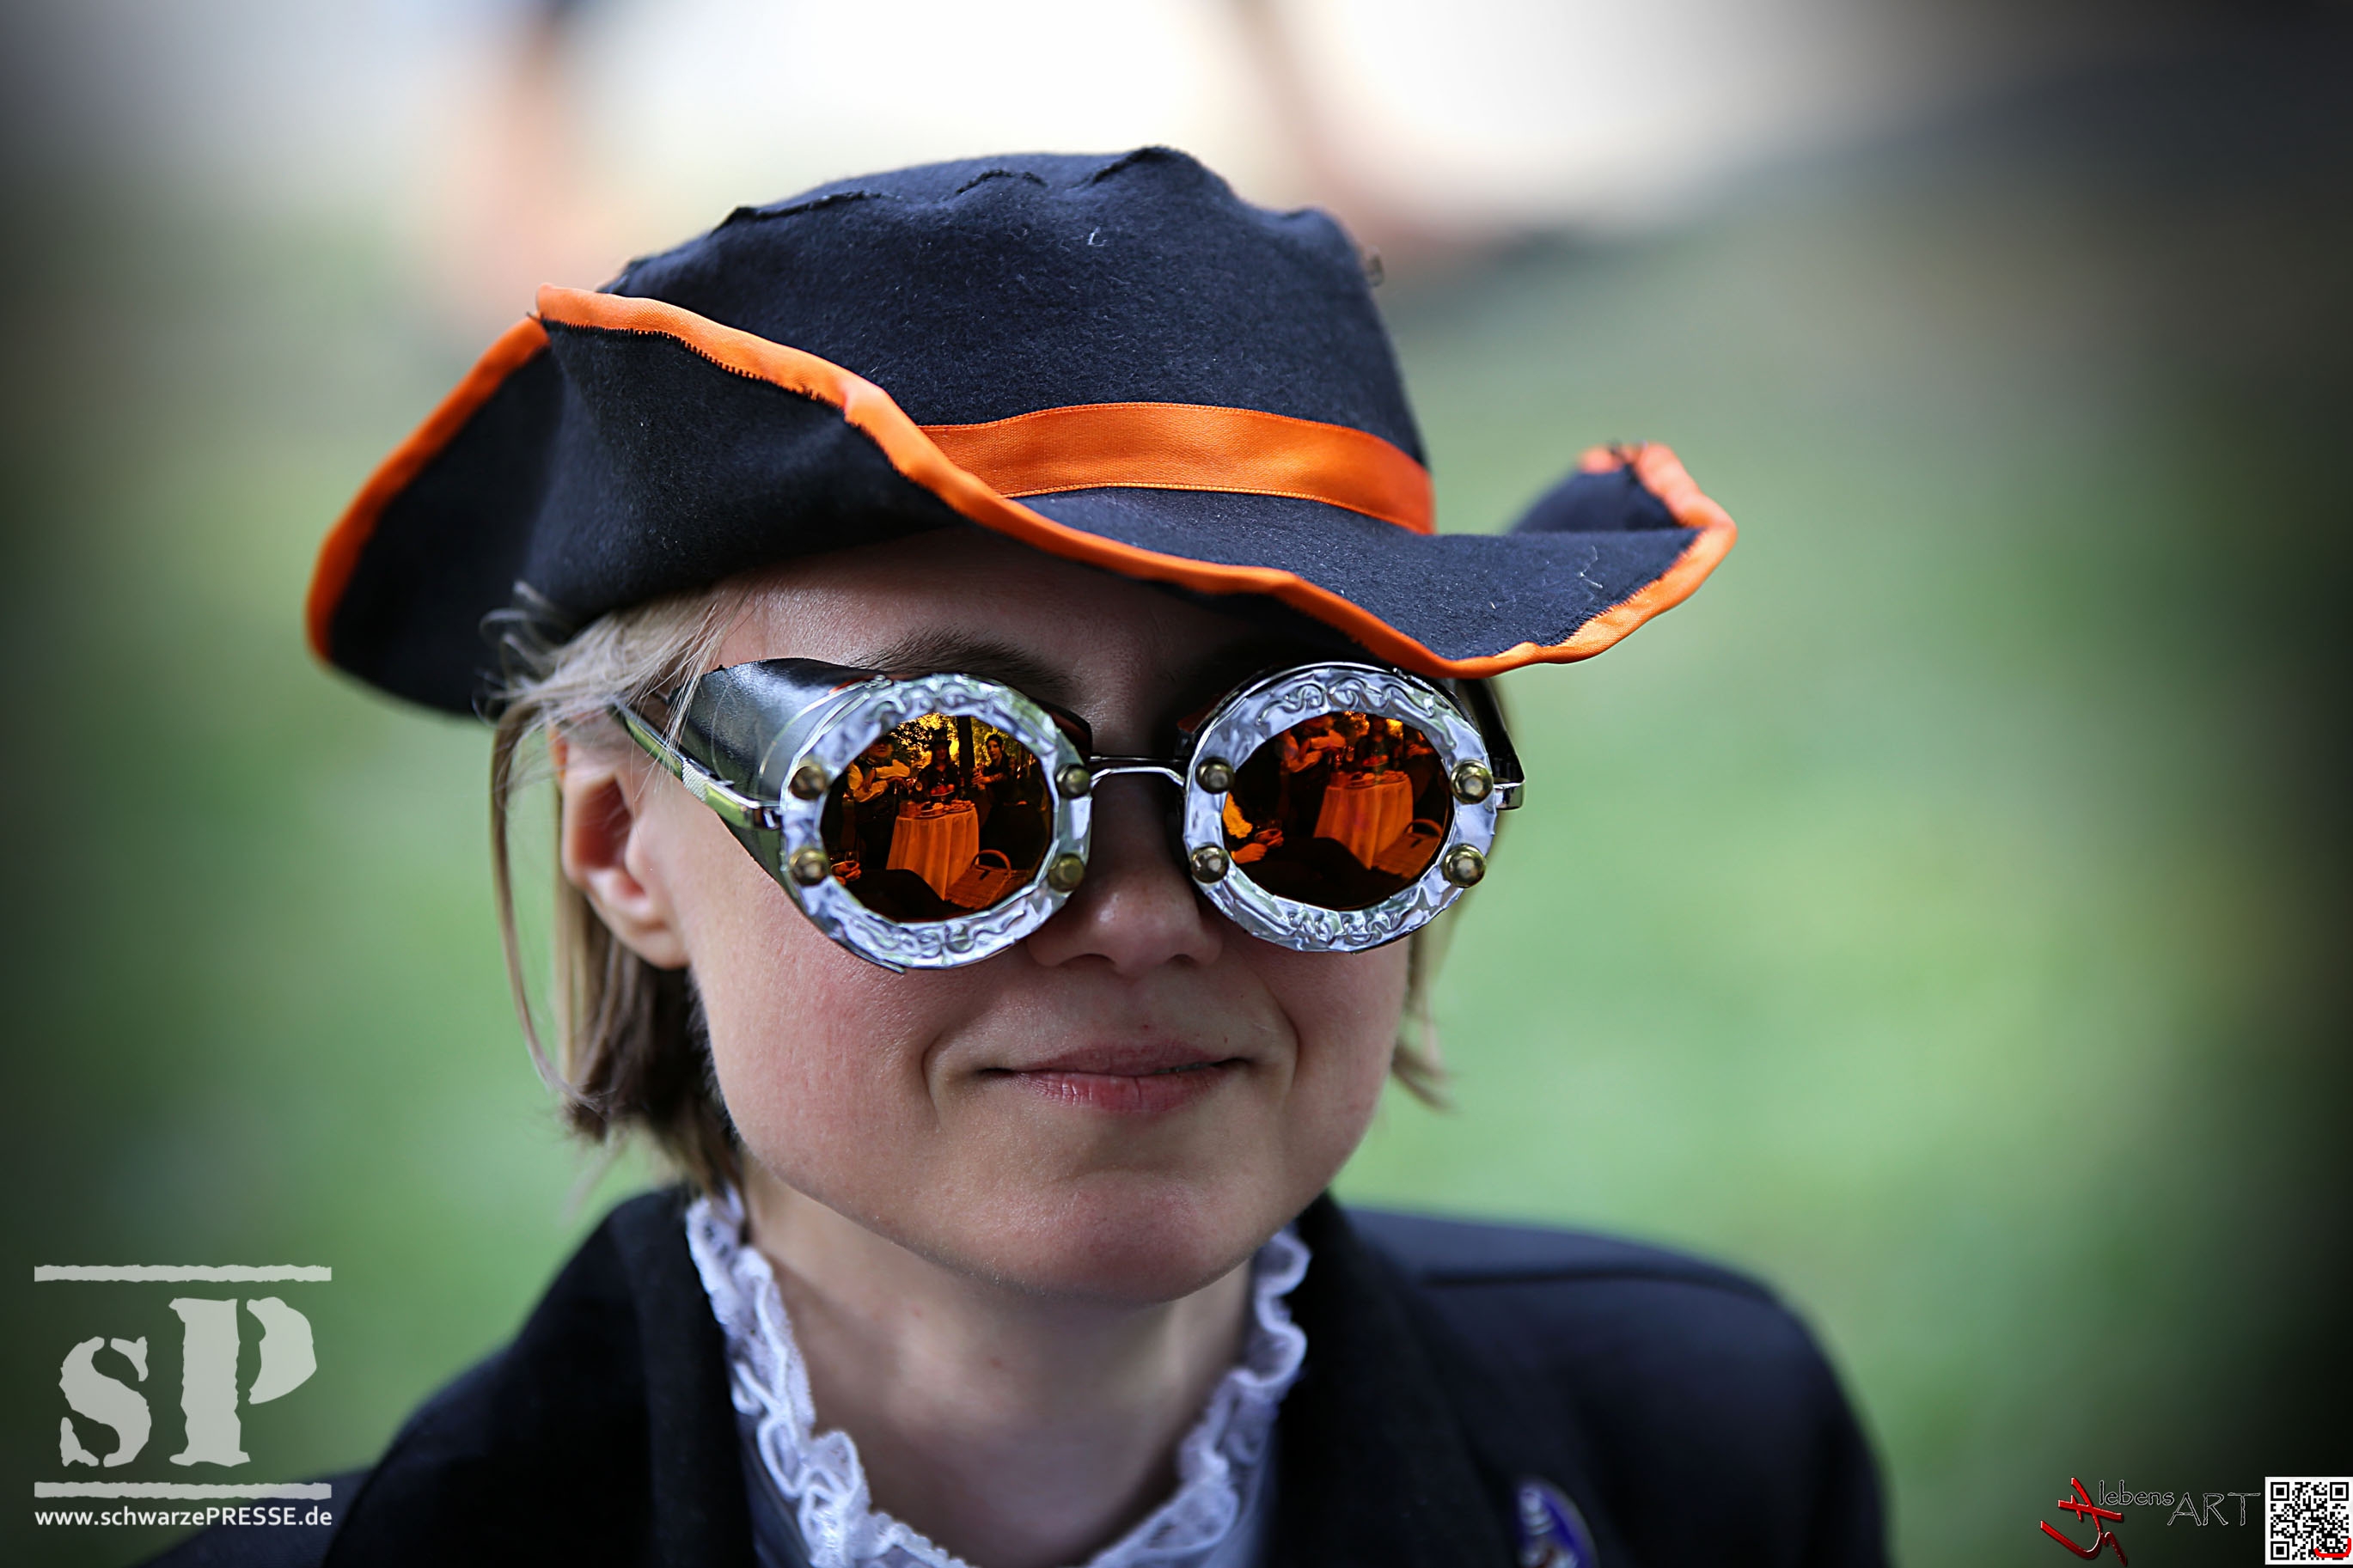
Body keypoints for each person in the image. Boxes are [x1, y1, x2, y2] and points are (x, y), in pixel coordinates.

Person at [168, 149, 1881, 1567]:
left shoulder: (1703, 1452)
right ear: (625, 846)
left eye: (1320, 780)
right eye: (935, 793)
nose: (1138, 916)